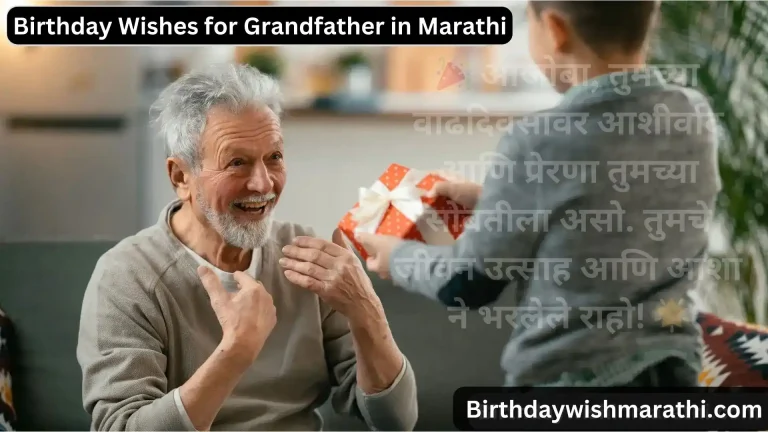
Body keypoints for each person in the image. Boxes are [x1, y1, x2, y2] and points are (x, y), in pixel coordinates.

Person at [357, 0, 720, 387]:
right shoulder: (694, 117)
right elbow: (616, 210)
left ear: (555, 29)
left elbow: (469, 282)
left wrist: (397, 257)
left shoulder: (538, 141)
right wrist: (493, 199)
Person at [76, 64, 417, 431]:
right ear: (181, 177)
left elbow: (395, 421)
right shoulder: (128, 276)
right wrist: (236, 351)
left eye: (274, 157)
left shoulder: (308, 259)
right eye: (236, 163)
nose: (262, 183)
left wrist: (366, 309)